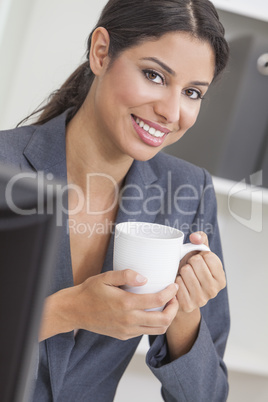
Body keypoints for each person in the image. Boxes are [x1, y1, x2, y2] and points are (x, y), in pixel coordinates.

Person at [0, 0, 230, 400]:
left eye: (192, 92)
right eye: (154, 75)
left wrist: (185, 310)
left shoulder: (186, 193)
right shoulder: (5, 165)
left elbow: (208, 396)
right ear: (101, 52)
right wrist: (65, 312)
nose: (171, 111)